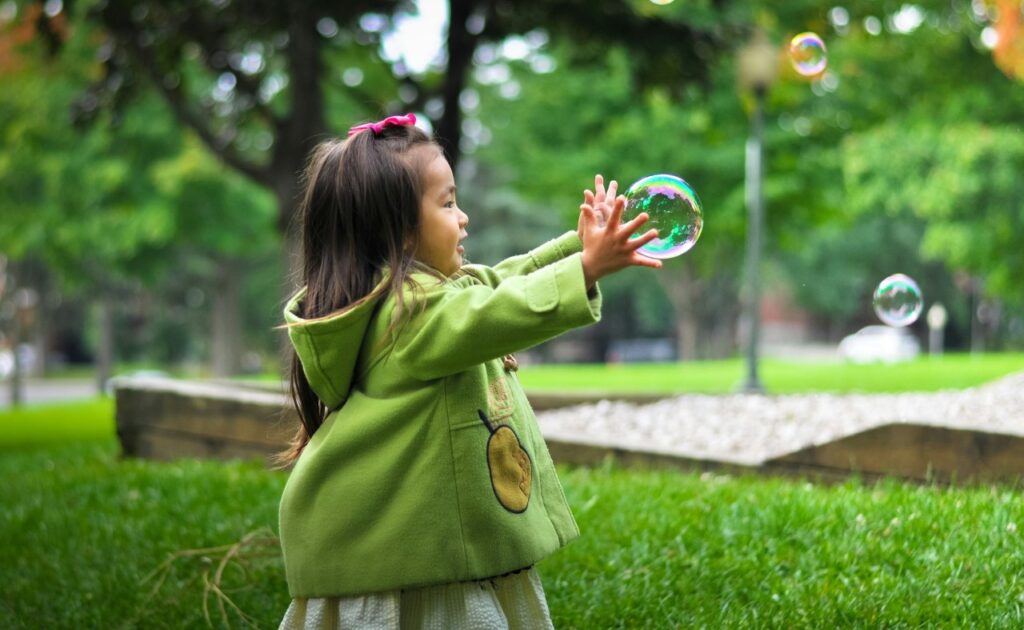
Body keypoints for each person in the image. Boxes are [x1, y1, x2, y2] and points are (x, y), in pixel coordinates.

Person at [275, 112, 661, 629]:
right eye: (448, 202)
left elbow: (501, 280)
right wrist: (586, 269)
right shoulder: (409, 316)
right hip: (412, 567)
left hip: (430, 551)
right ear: (401, 231)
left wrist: (577, 246)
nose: (464, 218)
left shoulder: (423, 298)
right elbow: (499, 310)